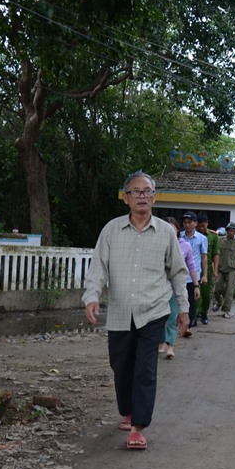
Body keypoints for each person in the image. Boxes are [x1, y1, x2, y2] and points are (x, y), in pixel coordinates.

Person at [83, 171, 189, 451]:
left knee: (145, 369)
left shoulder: (166, 232)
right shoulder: (111, 230)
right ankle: (128, 410)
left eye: (147, 191)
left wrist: (184, 308)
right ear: (126, 198)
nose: (142, 196)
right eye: (136, 191)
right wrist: (92, 297)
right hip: (119, 311)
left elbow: (178, 272)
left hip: (154, 310)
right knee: (122, 367)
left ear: (154, 197)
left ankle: (138, 427)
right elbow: (98, 269)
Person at [160, 217, 199, 357]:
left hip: (176, 287)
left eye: (172, 228)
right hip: (158, 288)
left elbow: (192, 267)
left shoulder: (184, 246)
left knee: (172, 317)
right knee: (158, 318)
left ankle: (170, 346)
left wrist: (196, 285)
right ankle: (160, 341)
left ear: (177, 230)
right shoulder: (157, 244)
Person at [180, 211, 208, 328]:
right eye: (185, 223)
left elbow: (204, 256)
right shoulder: (179, 236)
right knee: (180, 298)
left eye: (190, 222)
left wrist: (205, 274)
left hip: (193, 275)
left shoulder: (202, 238)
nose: (187, 225)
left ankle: (190, 322)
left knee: (191, 300)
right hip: (180, 274)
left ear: (195, 223)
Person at [213, 221, 235, 317]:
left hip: (231, 269)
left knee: (229, 291)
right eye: (230, 231)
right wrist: (215, 269)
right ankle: (218, 302)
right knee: (217, 289)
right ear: (227, 231)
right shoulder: (220, 240)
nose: (232, 233)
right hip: (220, 268)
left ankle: (226, 310)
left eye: (234, 231)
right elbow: (216, 255)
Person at [196, 213, 220, 325]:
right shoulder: (192, 235)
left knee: (206, 293)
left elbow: (216, 253)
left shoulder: (213, 236)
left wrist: (215, 270)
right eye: (199, 226)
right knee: (195, 292)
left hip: (208, 267)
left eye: (203, 226)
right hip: (194, 267)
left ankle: (204, 312)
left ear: (207, 224)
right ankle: (194, 314)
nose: (201, 228)